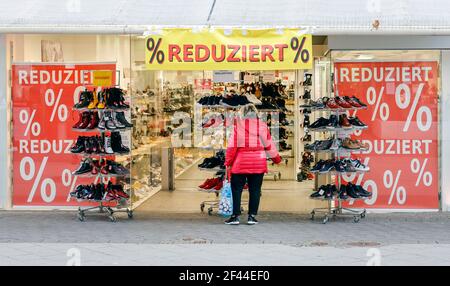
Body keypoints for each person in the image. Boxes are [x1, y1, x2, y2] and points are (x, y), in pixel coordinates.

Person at [224, 104, 281, 225]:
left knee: (236, 189)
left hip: (240, 163)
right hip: (258, 162)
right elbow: (269, 145)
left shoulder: (237, 127)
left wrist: (228, 163)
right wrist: (276, 159)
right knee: (255, 190)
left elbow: (231, 148)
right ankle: (251, 217)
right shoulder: (262, 126)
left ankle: (235, 216)